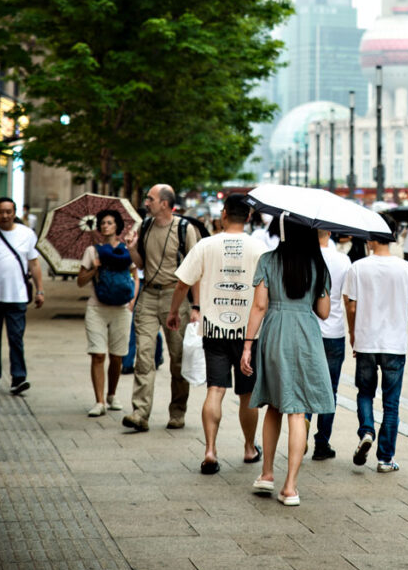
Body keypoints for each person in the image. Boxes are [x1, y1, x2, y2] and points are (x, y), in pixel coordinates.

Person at [167, 193, 264, 473]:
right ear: (247, 217)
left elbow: (182, 284)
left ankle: (210, 450)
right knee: (247, 394)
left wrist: (175, 312)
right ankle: (248, 448)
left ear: (223, 214)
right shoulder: (259, 248)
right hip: (248, 332)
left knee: (215, 389)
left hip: (215, 329)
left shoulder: (206, 245)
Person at [241, 217, 333, 506]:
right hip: (306, 335)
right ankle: (290, 487)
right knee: (298, 411)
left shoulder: (268, 260)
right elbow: (324, 312)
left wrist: (247, 345)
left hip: (275, 332)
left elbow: (259, 305)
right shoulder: (318, 265)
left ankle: (266, 474)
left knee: (274, 405)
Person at [344, 223, 408, 473]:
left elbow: (351, 306)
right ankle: (386, 458)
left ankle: (367, 429)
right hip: (394, 343)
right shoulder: (405, 268)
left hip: (367, 341)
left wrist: (353, 334)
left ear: (370, 240)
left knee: (365, 392)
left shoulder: (358, 267)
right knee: (391, 402)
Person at [123, 184, 200, 432]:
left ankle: (177, 412)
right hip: (148, 294)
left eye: (150, 199)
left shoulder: (184, 229)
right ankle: (139, 413)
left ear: (164, 203)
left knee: (178, 359)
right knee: (143, 356)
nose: (146, 202)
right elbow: (142, 264)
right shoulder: (144, 226)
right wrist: (132, 248)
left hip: (175, 297)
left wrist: (195, 306)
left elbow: (196, 270)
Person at [77, 209, 138, 416]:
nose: (105, 226)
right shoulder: (92, 251)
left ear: (117, 226)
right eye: (102, 223)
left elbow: (135, 276)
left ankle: (112, 395)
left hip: (121, 309)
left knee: (118, 356)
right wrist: (94, 269)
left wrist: (132, 301)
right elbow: (80, 281)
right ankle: (100, 401)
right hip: (97, 307)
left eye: (110, 222)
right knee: (98, 355)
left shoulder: (126, 250)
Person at [305, 227, 351, 460]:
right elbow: (347, 298)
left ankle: (299, 434)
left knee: (304, 386)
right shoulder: (343, 260)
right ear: (330, 233)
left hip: (306, 332)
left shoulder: (302, 257)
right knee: (329, 390)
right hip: (334, 333)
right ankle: (321, 443)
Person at [0, 197, 44, 394]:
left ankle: (18, 378)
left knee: (16, 338)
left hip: (17, 296)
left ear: (14, 213)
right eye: (1, 211)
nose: (5, 215)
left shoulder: (27, 234)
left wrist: (40, 290)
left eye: (9, 211)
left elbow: (34, 263)